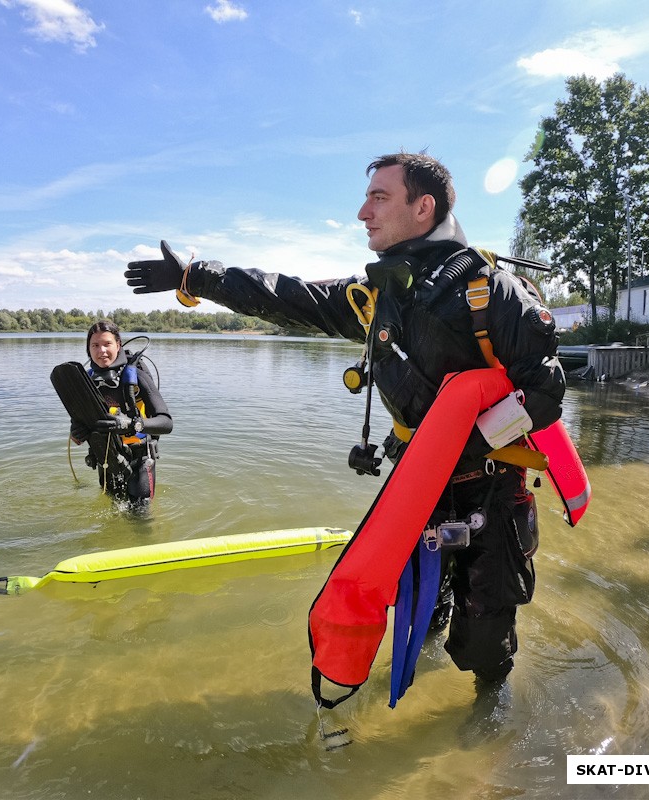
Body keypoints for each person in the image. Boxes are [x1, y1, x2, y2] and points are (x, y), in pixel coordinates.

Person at [123, 152, 565, 685]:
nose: (362, 212)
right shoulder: (374, 297)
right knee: (421, 608)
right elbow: (284, 294)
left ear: (423, 206)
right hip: (416, 491)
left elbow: (545, 391)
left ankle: (487, 732)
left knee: (486, 640)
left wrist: (458, 444)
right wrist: (198, 277)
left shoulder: (491, 292)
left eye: (379, 197)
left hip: (490, 491)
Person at [70, 320, 173, 505]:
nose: (101, 350)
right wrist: (77, 434)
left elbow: (166, 422)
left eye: (107, 344)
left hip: (140, 459)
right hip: (107, 460)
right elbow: (77, 434)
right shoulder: (86, 383)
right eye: (95, 345)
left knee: (140, 517)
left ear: (118, 345)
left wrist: (132, 424)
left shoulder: (137, 377)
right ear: (88, 349)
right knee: (111, 513)